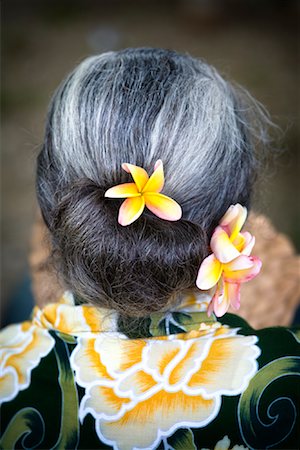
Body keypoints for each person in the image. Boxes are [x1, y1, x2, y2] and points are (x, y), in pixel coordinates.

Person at [0, 48, 299, 450]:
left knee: (23, 294)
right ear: (234, 218)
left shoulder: (8, 374)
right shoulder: (288, 375)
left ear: (53, 212)